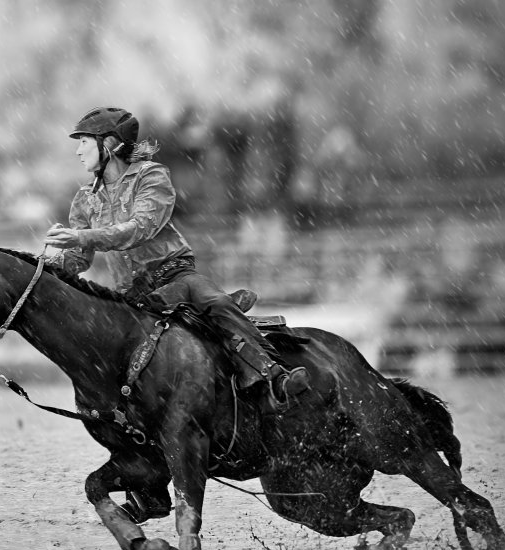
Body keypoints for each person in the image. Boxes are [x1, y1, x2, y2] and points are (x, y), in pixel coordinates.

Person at [44, 106, 309, 413]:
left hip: (175, 277)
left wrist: (80, 237)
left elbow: (139, 229)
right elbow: (78, 260)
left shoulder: (152, 177)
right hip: (129, 296)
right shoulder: (84, 199)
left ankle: (274, 374)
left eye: (84, 142)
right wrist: (47, 260)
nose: (78, 151)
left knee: (215, 302)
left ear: (110, 144)